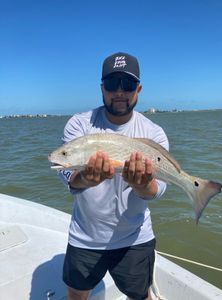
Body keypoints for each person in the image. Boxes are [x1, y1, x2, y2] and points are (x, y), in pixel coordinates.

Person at [59, 52, 169, 300]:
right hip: (85, 237)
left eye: (127, 84)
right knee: (76, 293)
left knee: (142, 295)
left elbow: (159, 189)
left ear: (138, 89)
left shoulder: (154, 133)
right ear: (102, 88)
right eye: (111, 84)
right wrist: (84, 179)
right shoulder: (80, 125)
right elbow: (66, 171)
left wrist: (143, 186)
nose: (119, 91)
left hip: (135, 237)